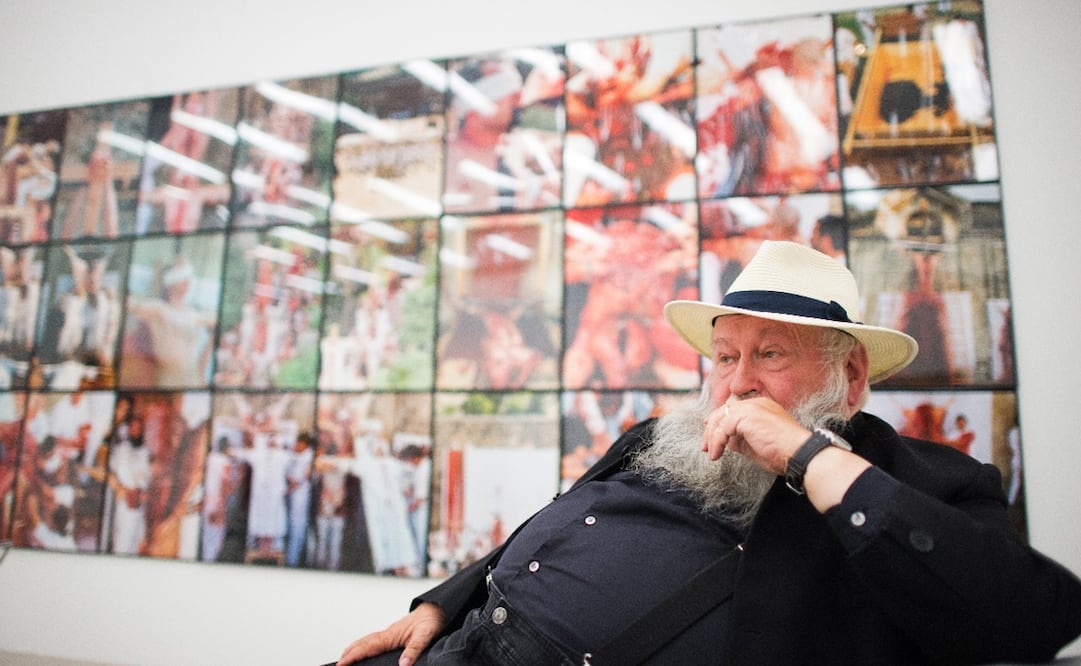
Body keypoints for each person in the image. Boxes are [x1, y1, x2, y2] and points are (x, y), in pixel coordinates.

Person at [334, 240, 1081, 666]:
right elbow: (562, 521)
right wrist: (446, 602)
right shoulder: (665, 435)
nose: (737, 382)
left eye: (769, 354)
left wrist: (806, 457)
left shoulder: (930, 482)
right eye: (724, 356)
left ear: (848, 376)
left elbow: (1033, 618)